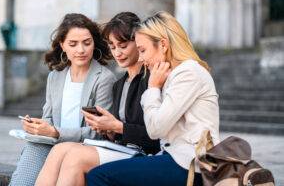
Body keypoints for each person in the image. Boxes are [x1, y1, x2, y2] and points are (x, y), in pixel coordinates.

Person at [86, 11, 220, 186]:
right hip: (175, 157)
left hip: (192, 164)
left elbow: (155, 129)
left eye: (142, 50)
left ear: (163, 45)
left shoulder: (188, 73)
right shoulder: (174, 74)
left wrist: (153, 87)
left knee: (99, 176)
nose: (141, 58)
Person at [35, 12, 160, 186]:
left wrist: (115, 127)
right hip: (121, 148)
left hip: (145, 154)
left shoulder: (151, 79)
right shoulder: (120, 83)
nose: (118, 53)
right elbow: (119, 132)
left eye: (123, 46)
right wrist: (108, 130)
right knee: (59, 149)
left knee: (75, 158)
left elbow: (156, 135)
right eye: (113, 46)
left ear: (138, 43)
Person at [9, 13, 116, 186]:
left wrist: (56, 132)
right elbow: (48, 117)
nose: (81, 50)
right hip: (52, 142)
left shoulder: (104, 78)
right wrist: (38, 127)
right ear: (62, 45)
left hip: (84, 147)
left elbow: (98, 132)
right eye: (73, 44)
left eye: (87, 43)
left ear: (94, 43)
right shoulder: (55, 77)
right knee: (25, 170)